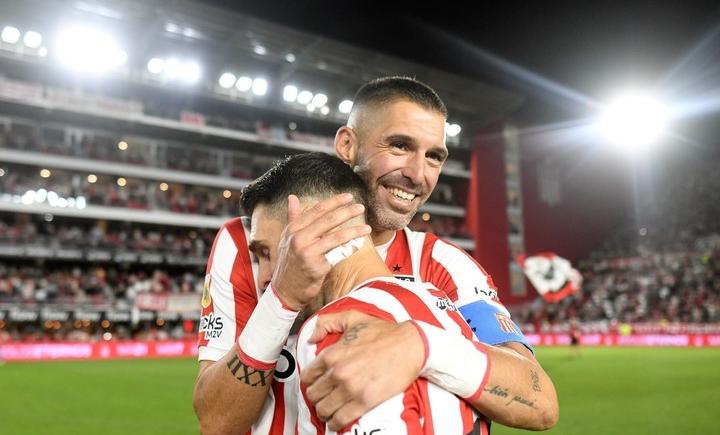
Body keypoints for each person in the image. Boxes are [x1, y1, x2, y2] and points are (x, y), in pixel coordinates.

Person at [193, 77, 559, 434]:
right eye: (399, 145)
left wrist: (423, 343)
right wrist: (281, 301)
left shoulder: (446, 267)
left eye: (434, 156)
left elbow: (538, 399)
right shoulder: (248, 243)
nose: (418, 174)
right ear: (348, 144)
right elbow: (217, 421)